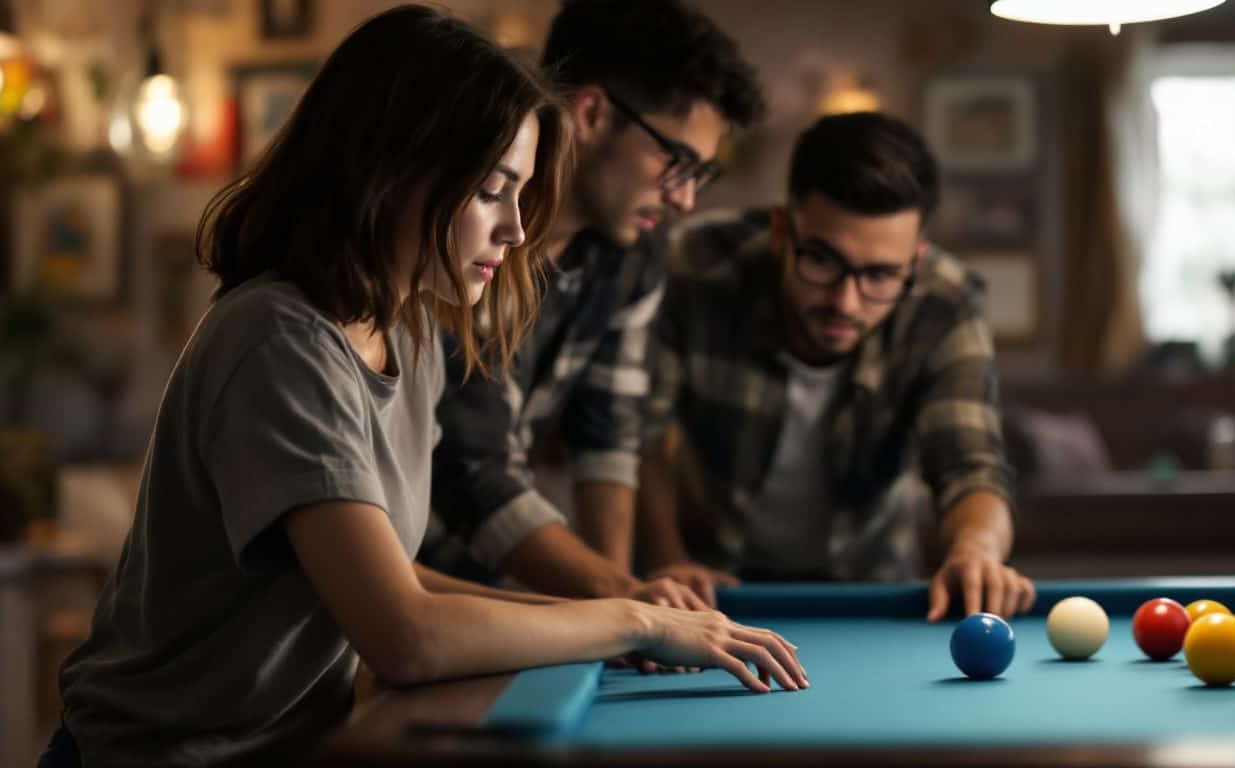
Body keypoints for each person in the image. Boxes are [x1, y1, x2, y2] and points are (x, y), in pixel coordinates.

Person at [42, 8, 803, 767]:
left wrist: (616, 611)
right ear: (394, 171)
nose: (514, 231)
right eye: (491, 192)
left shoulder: (409, 328)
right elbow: (404, 635)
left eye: (522, 193)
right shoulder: (280, 340)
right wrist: (630, 622)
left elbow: (394, 575)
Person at [429, 0, 766, 609]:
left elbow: (608, 434)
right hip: (395, 592)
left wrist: (624, 612)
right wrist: (622, 598)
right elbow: (474, 477)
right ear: (589, 113)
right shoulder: (470, 240)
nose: (687, 199)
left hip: (501, 591)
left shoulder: (633, 248)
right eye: (678, 162)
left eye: (702, 175)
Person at [637, 112, 1037, 621]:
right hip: (707, 587)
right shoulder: (695, 264)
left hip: (872, 589)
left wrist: (975, 552)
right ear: (783, 229)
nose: (846, 303)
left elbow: (970, 464)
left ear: (917, 259)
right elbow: (639, 439)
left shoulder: (945, 301)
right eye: (822, 261)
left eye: (881, 274)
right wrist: (669, 558)